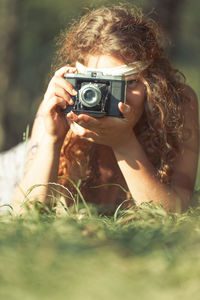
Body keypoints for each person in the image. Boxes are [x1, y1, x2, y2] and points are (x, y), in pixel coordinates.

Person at [12, 5, 199, 214]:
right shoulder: (62, 104)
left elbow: (175, 213)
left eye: (128, 84)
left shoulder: (177, 103)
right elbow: (23, 214)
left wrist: (124, 143)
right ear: (77, 81)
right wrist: (52, 140)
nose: (112, 99)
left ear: (152, 80)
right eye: (96, 88)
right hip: (15, 170)